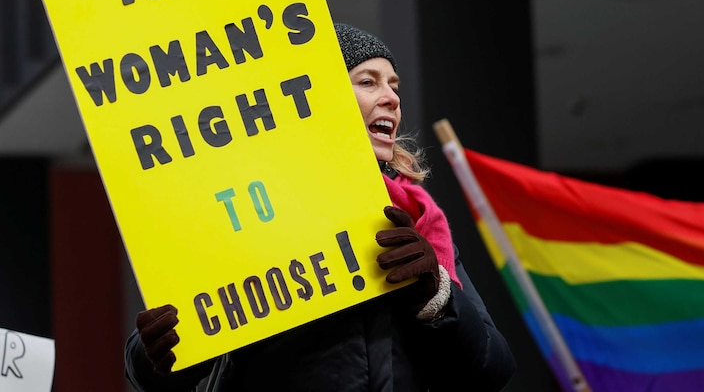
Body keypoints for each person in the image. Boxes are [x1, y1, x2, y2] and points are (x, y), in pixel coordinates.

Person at [124, 22, 517, 391]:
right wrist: (157, 350)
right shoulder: (247, 211)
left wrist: (436, 300)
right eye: (368, 81)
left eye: (394, 86)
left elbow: (491, 370)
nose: (392, 99)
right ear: (313, 99)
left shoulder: (414, 225)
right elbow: (159, 372)